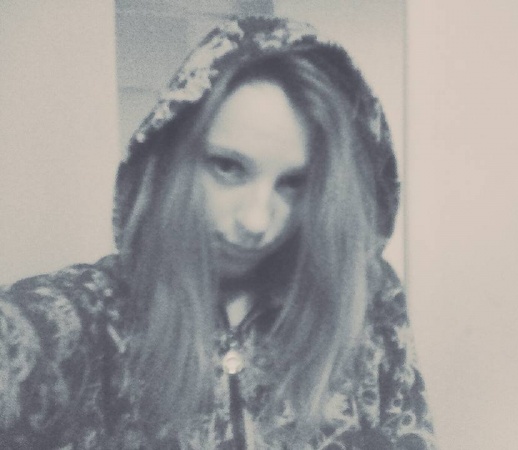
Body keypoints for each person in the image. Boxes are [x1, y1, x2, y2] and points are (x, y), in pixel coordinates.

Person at [0, 17, 436, 450]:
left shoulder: (365, 302)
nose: (257, 221)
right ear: (168, 162)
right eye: (228, 167)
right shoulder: (92, 317)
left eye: (293, 183)